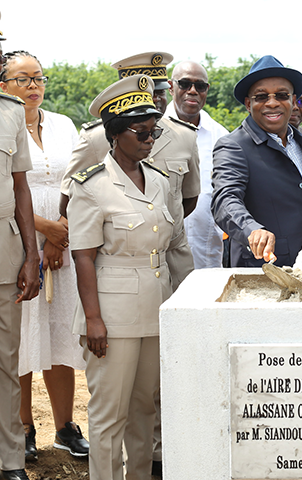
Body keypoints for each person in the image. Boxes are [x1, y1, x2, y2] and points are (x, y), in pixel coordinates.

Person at [67, 74, 173, 480]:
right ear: (115, 134)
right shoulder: (92, 186)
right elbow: (83, 257)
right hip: (110, 314)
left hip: (154, 306)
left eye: (154, 130)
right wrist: (93, 319)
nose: (150, 138)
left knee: (144, 408)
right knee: (109, 412)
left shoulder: (160, 182)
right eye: (141, 131)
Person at [0, 50, 88, 462]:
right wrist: (42, 230)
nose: (33, 86)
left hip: (64, 242)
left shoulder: (63, 124)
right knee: (23, 334)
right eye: (23, 79)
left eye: (39, 78)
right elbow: (8, 190)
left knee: (60, 332)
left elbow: (79, 179)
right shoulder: (4, 124)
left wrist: (59, 235)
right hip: (19, 238)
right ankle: (22, 428)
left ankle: (66, 427)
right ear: (3, 85)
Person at [60, 52, 199, 292]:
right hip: (120, 268)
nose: (156, 100)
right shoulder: (96, 137)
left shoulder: (185, 136)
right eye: (148, 94)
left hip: (175, 259)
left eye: (161, 92)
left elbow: (189, 198)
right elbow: (70, 200)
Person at [211, 55, 302, 267]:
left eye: (281, 95)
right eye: (261, 97)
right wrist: (252, 230)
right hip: (262, 269)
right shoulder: (233, 146)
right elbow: (225, 200)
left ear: (292, 101)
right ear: (248, 103)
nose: (272, 103)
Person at [0, 16, 40, 480]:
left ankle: (10, 460)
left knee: (5, 365)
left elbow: (21, 188)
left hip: (5, 255)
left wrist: (31, 256)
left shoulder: (10, 113)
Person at [166, 61, 229, 269]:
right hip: (161, 254)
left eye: (199, 86)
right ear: (170, 87)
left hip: (207, 254)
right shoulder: (152, 131)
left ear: (206, 90)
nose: (192, 91)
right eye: (184, 84)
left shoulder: (221, 137)